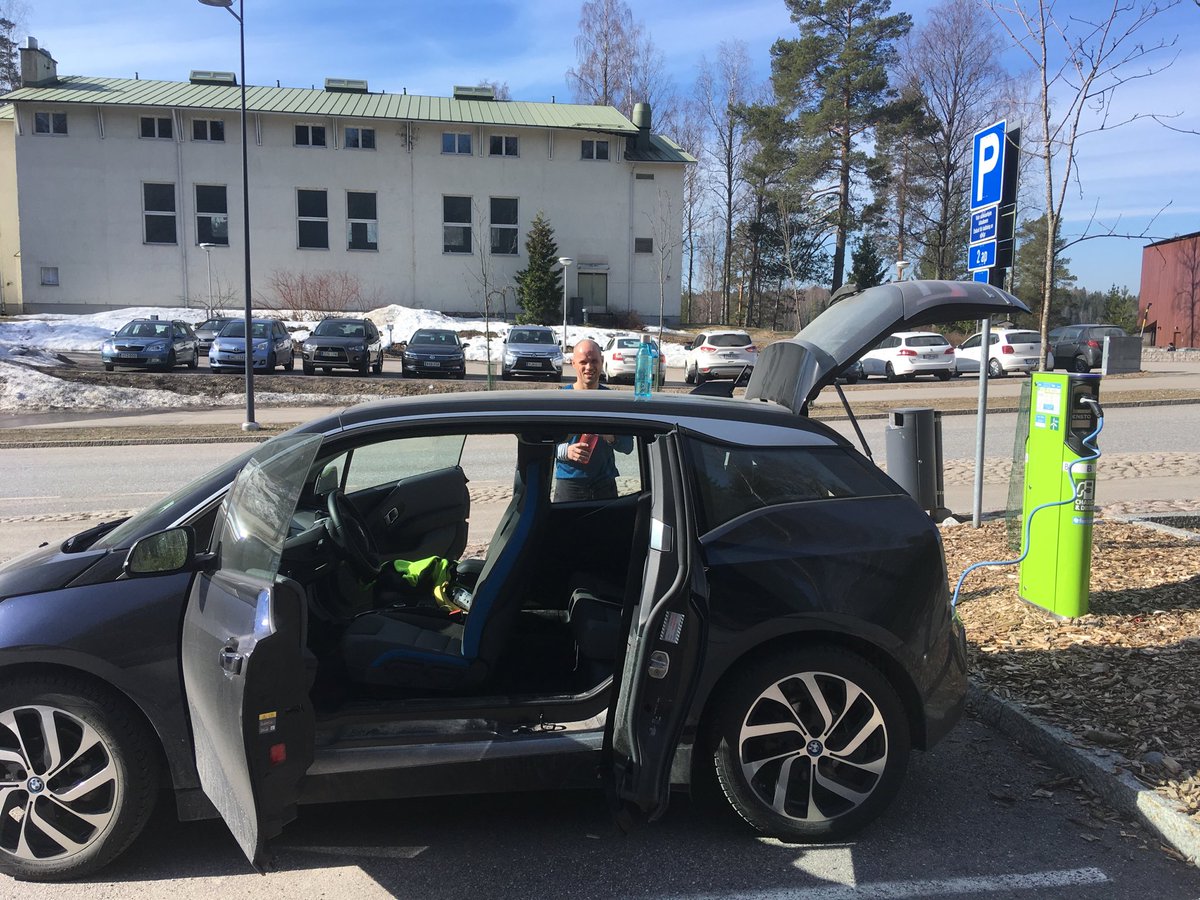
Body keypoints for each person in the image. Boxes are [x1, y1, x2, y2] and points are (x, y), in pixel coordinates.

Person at [555, 338, 634, 501]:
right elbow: (539, 445)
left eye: (594, 361)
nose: (589, 367)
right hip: (570, 483)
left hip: (604, 484)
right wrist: (566, 451)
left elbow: (628, 446)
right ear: (573, 363)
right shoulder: (560, 400)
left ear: (602, 361)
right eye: (583, 362)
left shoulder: (612, 400)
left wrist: (611, 437)